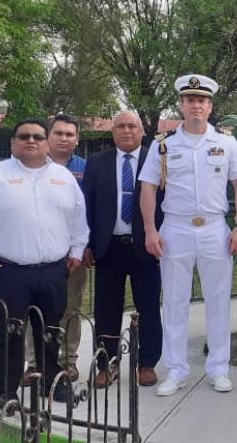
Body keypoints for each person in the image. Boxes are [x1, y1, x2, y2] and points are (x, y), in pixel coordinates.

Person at [139, 74, 237, 397]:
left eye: (201, 101)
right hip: (175, 227)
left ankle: (219, 368)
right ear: (181, 105)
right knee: (174, 301)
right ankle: (176, 369)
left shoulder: (226, 143)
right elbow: (147, 187)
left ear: (210, 105)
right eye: (190, 100)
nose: (196, 106)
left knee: (218, 300)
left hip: (215, 228)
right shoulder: (164, 145)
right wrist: (149, 228)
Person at [0, 119, 88, 404]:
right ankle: (6, 387)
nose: (31, 141)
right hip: (11, 271)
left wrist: (78, 251)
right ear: (13, 143)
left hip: (55, 269)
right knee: (11, 330)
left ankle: (50, 382)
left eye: (37, 137)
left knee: (51, 329)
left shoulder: (63, 177)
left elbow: (79, 219)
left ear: (46, 143)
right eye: (24, 136)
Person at [82, 111, 163, 388]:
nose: (127, 131)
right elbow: (87, 207)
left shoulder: (157, 160)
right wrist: (87, 244)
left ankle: (147, 363)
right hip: (109, 248)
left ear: (142, 131)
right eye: (121, 126)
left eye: (132, 126)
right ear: (113, 131)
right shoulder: (96, 164)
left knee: (149, 307)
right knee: (106, 309)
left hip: (145, 248)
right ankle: (106, 364)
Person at [40, 115, 88, 382]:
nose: (64, 138)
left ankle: (68, 361)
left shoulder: (85, 168)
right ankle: (35, 362)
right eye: (58, 133)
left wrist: (85, 248)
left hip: (73, 253)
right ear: (49, 136)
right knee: (36, 307)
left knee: (71, 308)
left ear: (77, 139)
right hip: (36, 253)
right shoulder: (32, 165)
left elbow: (90, 211)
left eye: (70, 134)